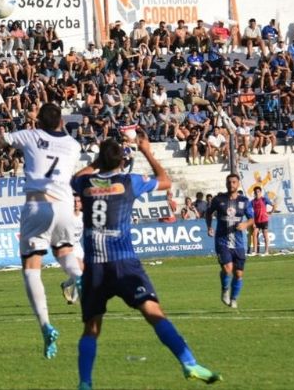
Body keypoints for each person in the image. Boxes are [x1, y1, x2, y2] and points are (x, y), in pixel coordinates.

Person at [71, 134, 220, 390]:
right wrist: (147, 151)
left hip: (95, 266)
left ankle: (85, 383)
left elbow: (75, 177)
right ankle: (188, 363)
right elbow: (165, 181)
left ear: (99, 160)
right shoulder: (129, 181)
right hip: (124, 263)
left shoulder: (83, 182)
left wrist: (97, 162)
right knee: (153, 313)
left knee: (91, 328)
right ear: (121, 161)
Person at [0, 102, 83, 359]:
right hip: (64, 205)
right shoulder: (74, 145)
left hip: (37, 204)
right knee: (65, 252)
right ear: (61, 121)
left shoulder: (30, 135)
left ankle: (45, 325)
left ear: (38, 121)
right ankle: (77, 276)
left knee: (31, 269)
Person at [205, 174, 253, 309]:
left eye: (233, 182)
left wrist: (245, 224)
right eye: (229, 182)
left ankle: (234, 298)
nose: (231, 184)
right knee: (227, 269)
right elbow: (208, 213)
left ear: (238, 184)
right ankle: (225, 289)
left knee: (238, 273)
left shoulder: (244, 201)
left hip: (238, 242)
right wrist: (209, 227)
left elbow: (252, 218)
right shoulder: (218, 199)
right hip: (222, 240)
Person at [60, 195, 85, 305]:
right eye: (74, 201)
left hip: (78, 247)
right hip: (68, 249)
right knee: (78, 274)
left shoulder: (84, 216)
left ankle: (66, 285)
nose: (76, 203)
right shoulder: (66, 217)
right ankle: (82, 302)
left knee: (83, 274)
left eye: (78, 201)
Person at [249, 186, 273, 255]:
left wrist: (271, 212)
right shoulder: (252, 202)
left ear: (260, 192)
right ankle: (254, 251)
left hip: (264, 220)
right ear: (254, 193)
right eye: (255, 192)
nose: (257, 193)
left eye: (258, 192)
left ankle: (266, 251)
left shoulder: (264, 199)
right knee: (254, 234)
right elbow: (249, 211)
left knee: (265, 235)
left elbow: (273, 205)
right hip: (256, 221)